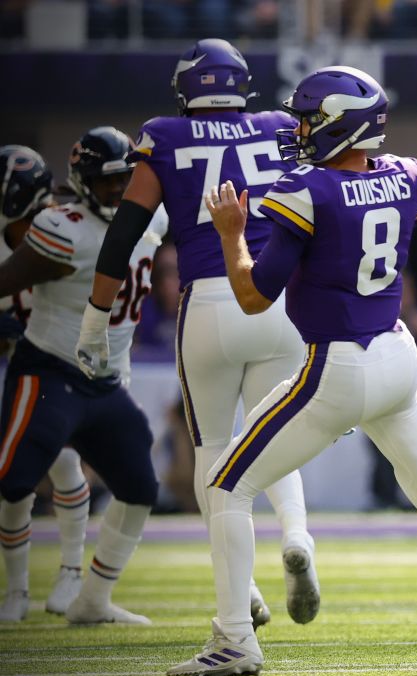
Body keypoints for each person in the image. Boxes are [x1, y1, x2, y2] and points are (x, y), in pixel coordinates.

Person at [166, 66, 417, 676]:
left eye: (305, 118)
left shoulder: (306, 192)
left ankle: (235, 641)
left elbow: (251, 297)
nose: (296, 129)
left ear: (335, 124)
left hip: (337, 369)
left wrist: (230, 236)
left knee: (224, 485)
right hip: (398, 361)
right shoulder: (403, 175)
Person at [76, 39, 318, 629]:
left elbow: (125, 232)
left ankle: (245, 593)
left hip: (210, 300)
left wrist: (93, 321)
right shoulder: (280, 126)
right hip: (276, 298)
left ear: (187, 87)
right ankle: (297, 534)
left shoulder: (164, 134)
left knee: (214, 452)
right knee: (276, 437)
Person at [0, 127, 163, 625]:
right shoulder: (62, 226)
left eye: (123, 179)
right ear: (81, 181)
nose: (117, 190)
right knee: (14, 482)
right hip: (50, 370)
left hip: (107, 380)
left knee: (140, 486)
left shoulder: (155, 214)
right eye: (105, 181)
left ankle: (91, 598)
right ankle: (16, 592)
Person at [0, 145, 98, 620]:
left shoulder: (65, 227)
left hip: (62, 358)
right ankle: (17, 590)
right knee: (13, 476)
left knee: (63, 461)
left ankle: (71, 572)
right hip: (24, 361)